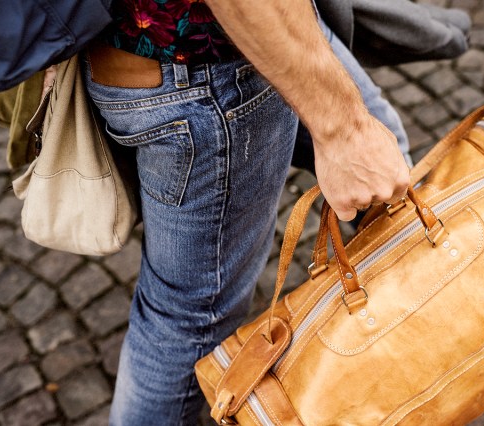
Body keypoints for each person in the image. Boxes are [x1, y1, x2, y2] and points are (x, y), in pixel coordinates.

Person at [83, 0, 410, 423]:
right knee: (189, 320)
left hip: (233, 42)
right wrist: (344, 128)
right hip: (217, 66)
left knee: (390, 162)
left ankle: (398, 345)